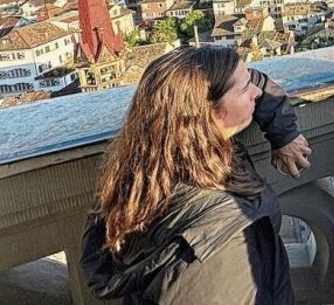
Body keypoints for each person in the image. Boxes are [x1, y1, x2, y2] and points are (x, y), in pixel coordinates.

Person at [80, 46, 311, 304]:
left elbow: (248, 81)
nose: (257, 92)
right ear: (207, 113)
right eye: (246, 89)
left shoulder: (150, 167)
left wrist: (284, 133)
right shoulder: (217, 240)